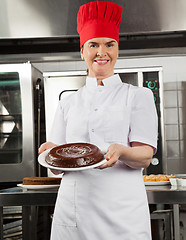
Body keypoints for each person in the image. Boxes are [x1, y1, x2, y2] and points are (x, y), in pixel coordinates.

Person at [39, 1, 158, 239]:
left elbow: (145, 155)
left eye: (109, 45)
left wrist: (121, 152)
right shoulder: (68, 102)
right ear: (82, 51)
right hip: (75, 209)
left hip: (122, 212)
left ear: (117, 50)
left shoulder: (137, 95)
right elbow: (56, 162)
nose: (102, 53)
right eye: (93, 45)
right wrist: (50, 152)